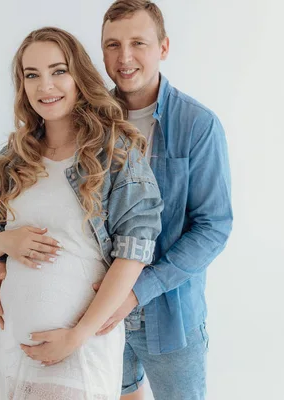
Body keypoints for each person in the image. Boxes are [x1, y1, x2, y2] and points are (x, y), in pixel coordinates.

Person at [0, 27, 163, 400]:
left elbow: (134, 252)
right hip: (12, 350)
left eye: (58, 71)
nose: (46, 86)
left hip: (79, 352)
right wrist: (6, 242)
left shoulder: (114, 153)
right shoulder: (13, 159)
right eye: (32, 75)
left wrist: (77, 336)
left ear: (78, 76)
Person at [96, 2, 234, 399]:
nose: (124, 58)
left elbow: (214, 227)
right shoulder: (90, 121)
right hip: (98, 310)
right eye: (112, 45)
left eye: (138, 42)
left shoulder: (198, 125)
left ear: (164, 47)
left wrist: (139, 291)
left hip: (171, 315)